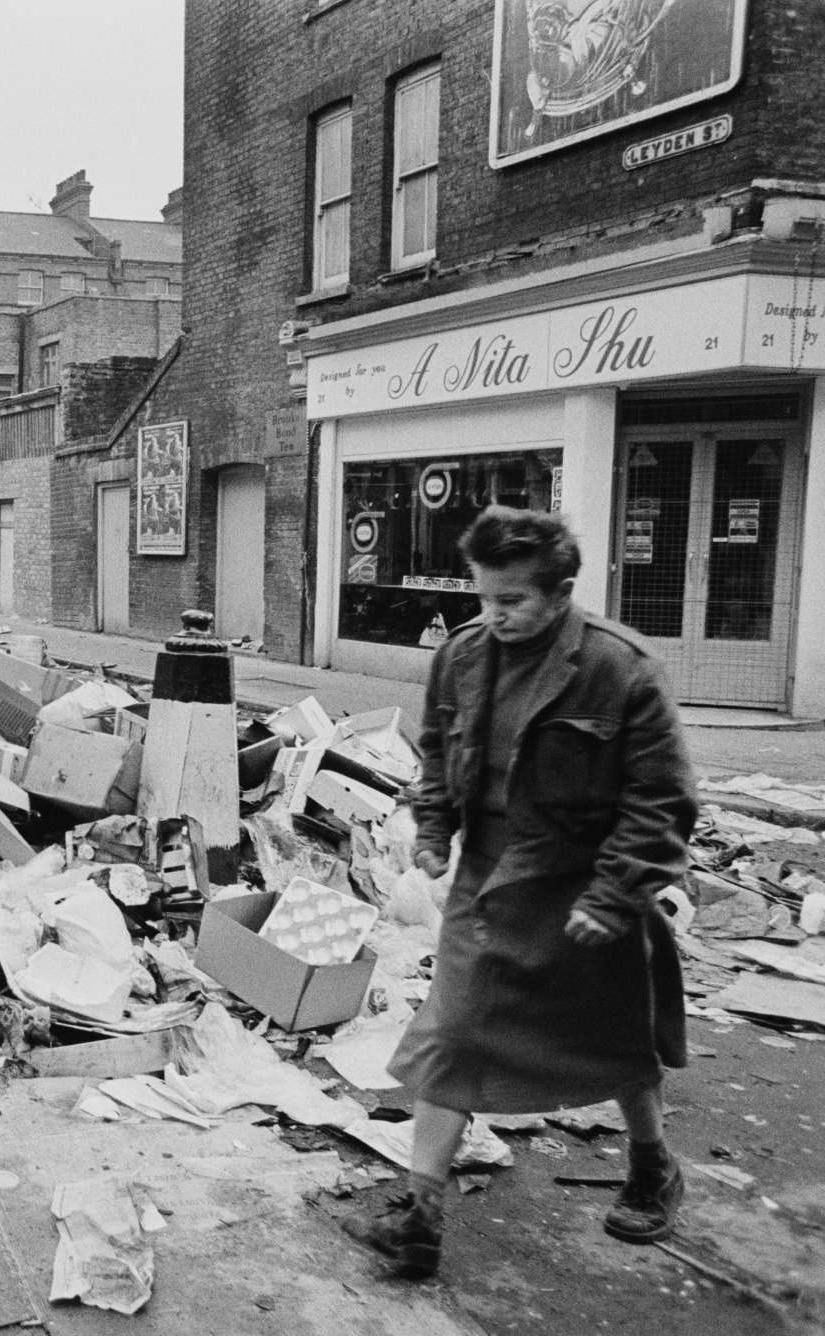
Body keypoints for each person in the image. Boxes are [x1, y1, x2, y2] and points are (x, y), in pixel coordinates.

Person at [344, 506, 696, 1280]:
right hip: (489, 884)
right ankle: (420, 1213)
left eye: (513, 601)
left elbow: (662, 802)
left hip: (586, 886)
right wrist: (433, 830)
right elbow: (436, 751)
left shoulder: (621, 669)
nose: (493, 616)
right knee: (455, 1034)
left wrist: (613, 897)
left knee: (617, 1041)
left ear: (563, 590)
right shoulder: (463, 656)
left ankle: (651, 1165)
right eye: (483, 597)